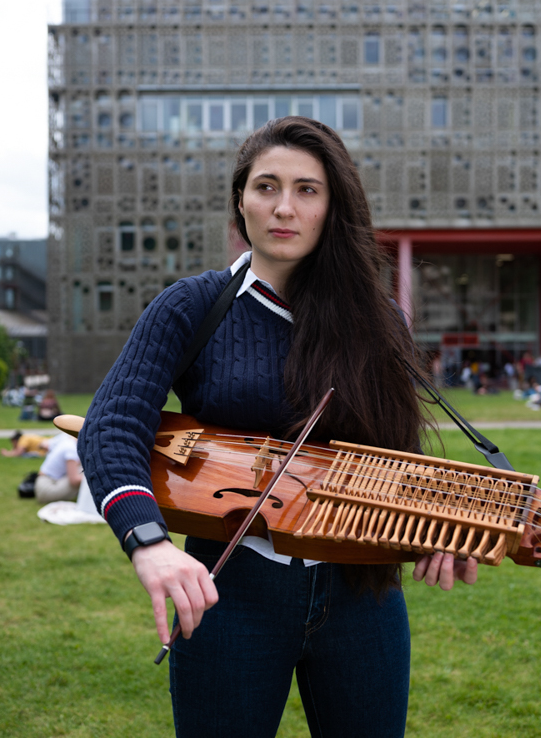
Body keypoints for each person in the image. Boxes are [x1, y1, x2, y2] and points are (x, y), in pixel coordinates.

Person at [76, 117, 476, 737]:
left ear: (332, 205)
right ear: (241, 200)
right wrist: (147, 542)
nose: (283, 207)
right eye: (266, 187)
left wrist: (436, 522)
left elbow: (397, 456)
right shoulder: (192, 305)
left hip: (362, 596)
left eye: (306, 190)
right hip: (230, 593)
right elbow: (111, 425)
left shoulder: (381, 320)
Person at [35, 434, 83, 504]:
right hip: (46, 489)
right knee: (86, 472)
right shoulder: (72, 449)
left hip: (42, 483)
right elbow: (74, 481)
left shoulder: (67, 441)